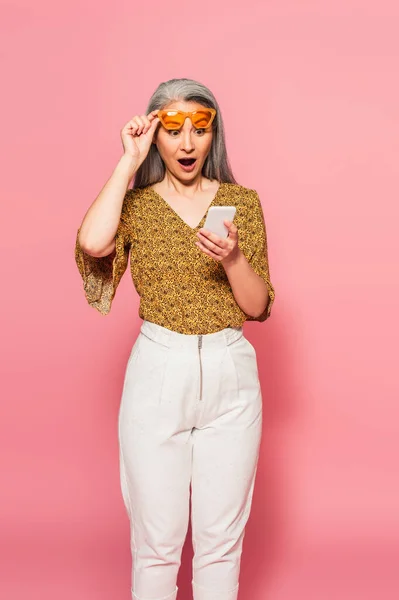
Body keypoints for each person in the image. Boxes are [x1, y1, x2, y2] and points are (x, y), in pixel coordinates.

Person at [74, 77, 275, 600]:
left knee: (220, 542)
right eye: (172, 128)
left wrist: (232, 257)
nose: (187, 142)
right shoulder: (138, 205)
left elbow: (256, 307)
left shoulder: (242, 203)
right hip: (160, 368)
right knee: (157, 543)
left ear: (215, 135)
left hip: (232, 374)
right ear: (155, 134)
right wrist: (128, 160)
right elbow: (93, 242)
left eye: (200, 128)